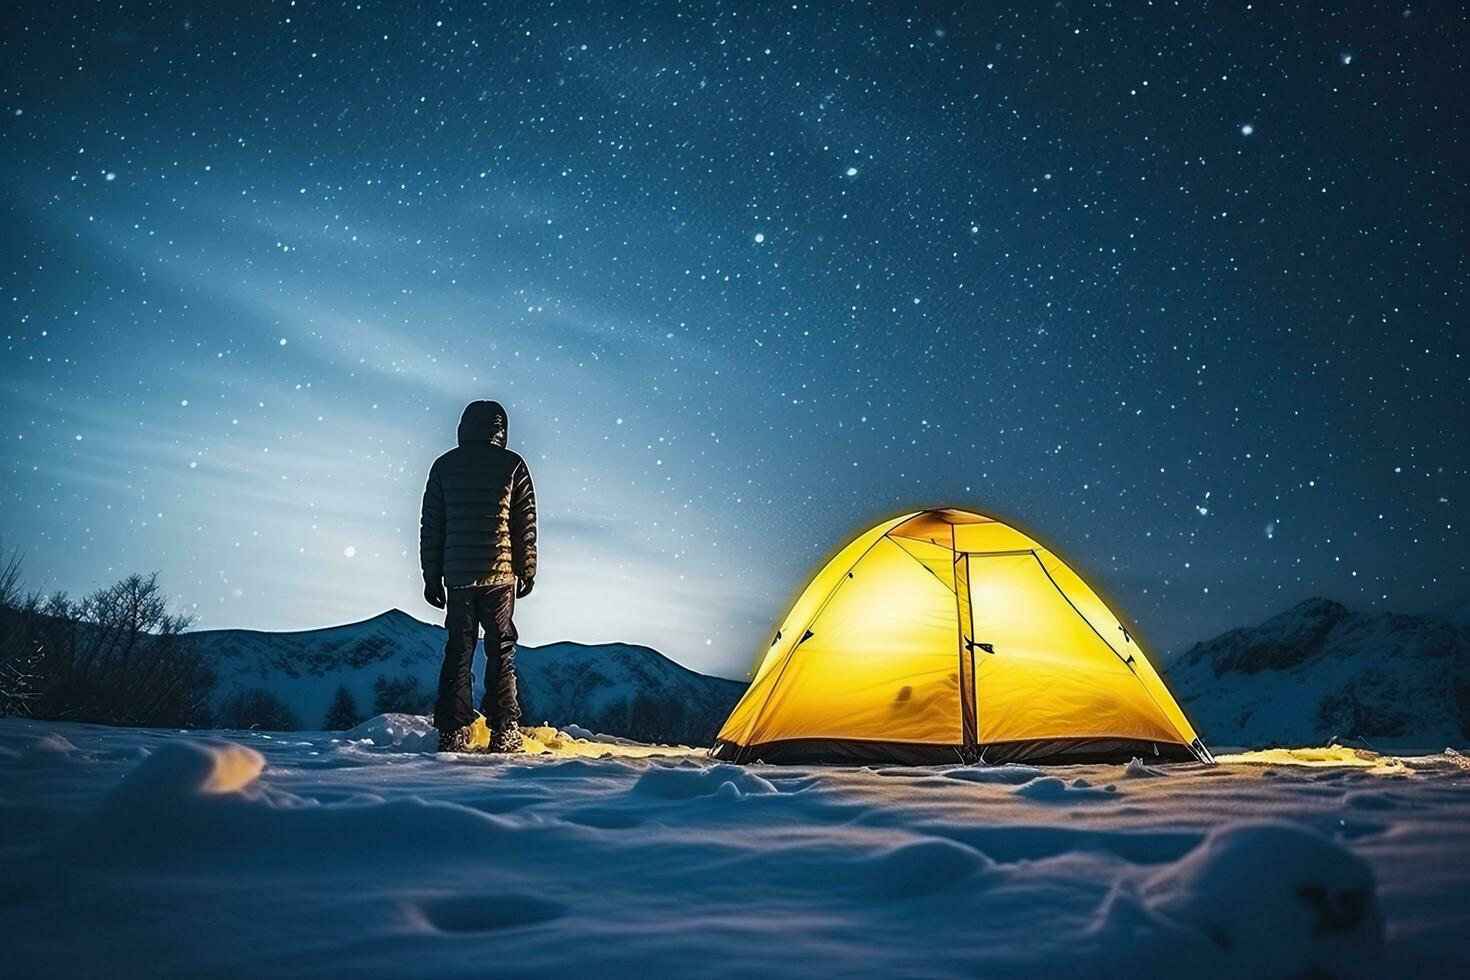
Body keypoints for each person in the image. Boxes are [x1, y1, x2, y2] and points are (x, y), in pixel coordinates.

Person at [420, 400, 537, 753]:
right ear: (501, 429)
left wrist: (431, 575)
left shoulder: (444, 466)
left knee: (459, 649)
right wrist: (527, 568)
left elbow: (432, 526)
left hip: (457, 576)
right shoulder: (512, 464)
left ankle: (452, 730)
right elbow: (524, 524)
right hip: (500, 575)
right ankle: (504, 729)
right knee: (501, 649)